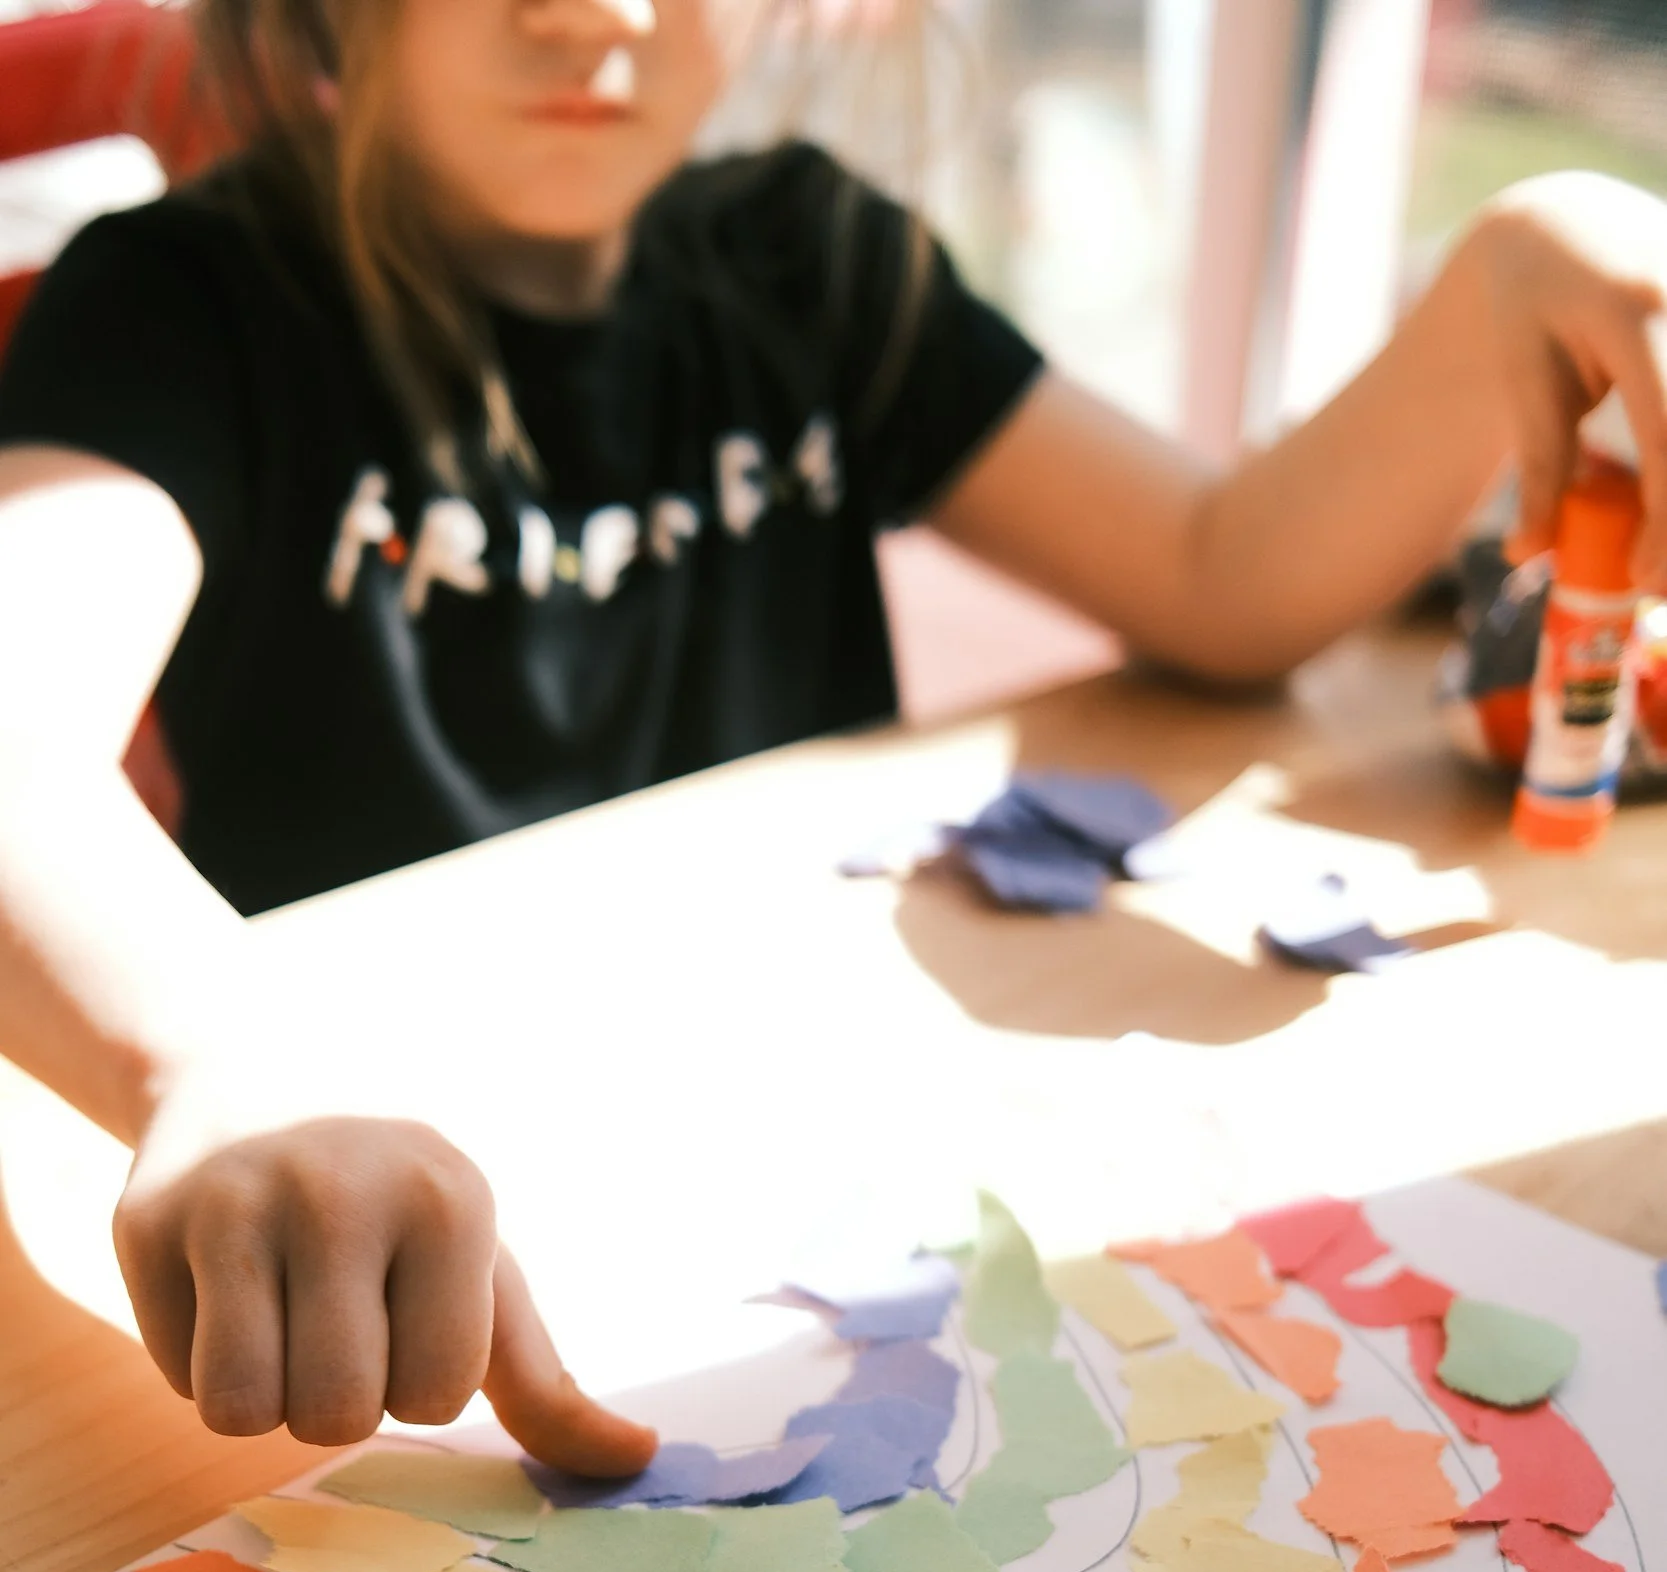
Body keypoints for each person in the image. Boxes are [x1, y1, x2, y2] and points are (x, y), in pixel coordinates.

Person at [0, 0, 1664, 1469]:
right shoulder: (181, 303)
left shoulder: (811, 258)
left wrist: (1507, 269)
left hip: (817, 1186)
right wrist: (215, 1060)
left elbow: (1227, 583)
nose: (596, 12)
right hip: (420, 1248)